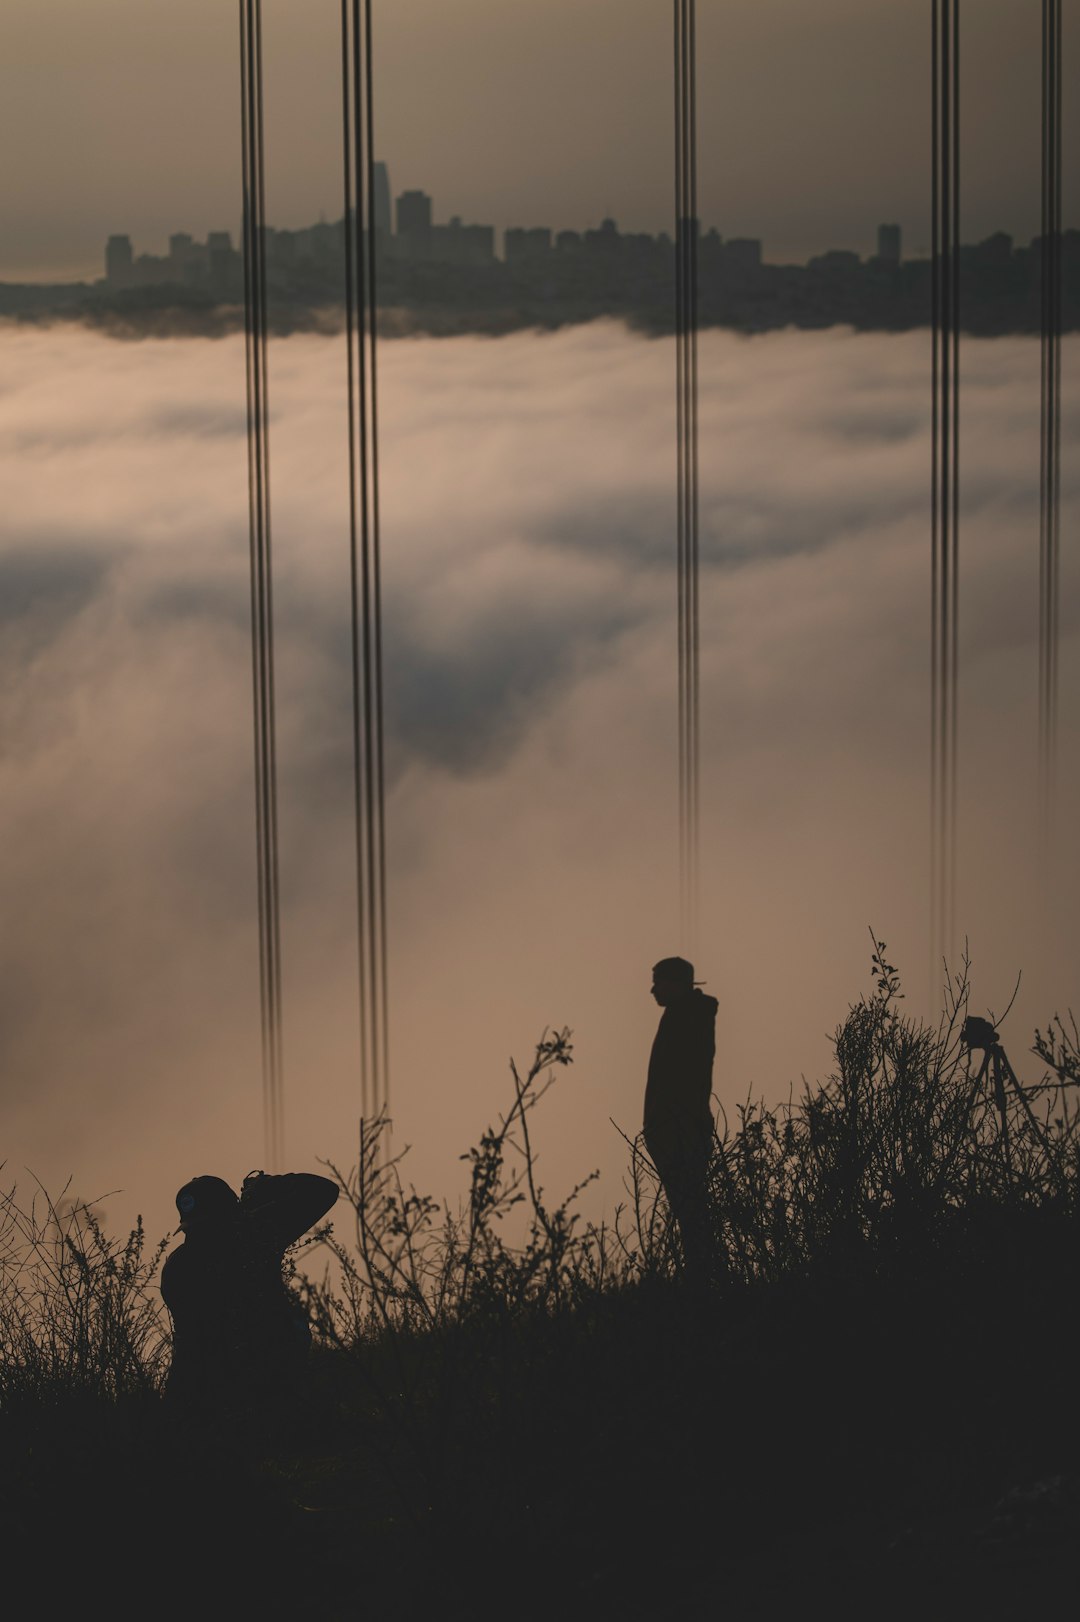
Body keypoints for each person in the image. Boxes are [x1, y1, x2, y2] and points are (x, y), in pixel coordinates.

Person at [161, 1168, 338, 1420]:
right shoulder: (252, 1235)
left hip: (202, 1392)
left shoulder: (176, 1266)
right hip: (263, 1380)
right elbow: (323, 1190)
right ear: (231, 1214)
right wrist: (266, 1188)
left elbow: (187, 1349)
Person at [643, 956, 718, 1278]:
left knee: (692, 1214)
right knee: (692, 1212)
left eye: (658, 981)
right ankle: (706, 1277)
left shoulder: (686, 1017)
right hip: (679, 1128)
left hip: (680, 1130)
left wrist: (670, 1126)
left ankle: (706, 1280)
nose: (652, 990)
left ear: (675, 984)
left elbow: (682, 1080)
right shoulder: (686, 1015)